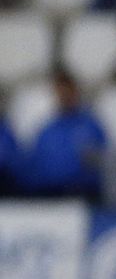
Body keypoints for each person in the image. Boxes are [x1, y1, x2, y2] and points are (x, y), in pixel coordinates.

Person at [19, 71, 107, 200]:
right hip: (47, 195)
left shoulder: (91, 126)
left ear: (76, 92)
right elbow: (34, 164)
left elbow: (99, 160)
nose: (64, 96)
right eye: (60, 92)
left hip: (82, 195)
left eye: (68, 91)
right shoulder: (46, 130)